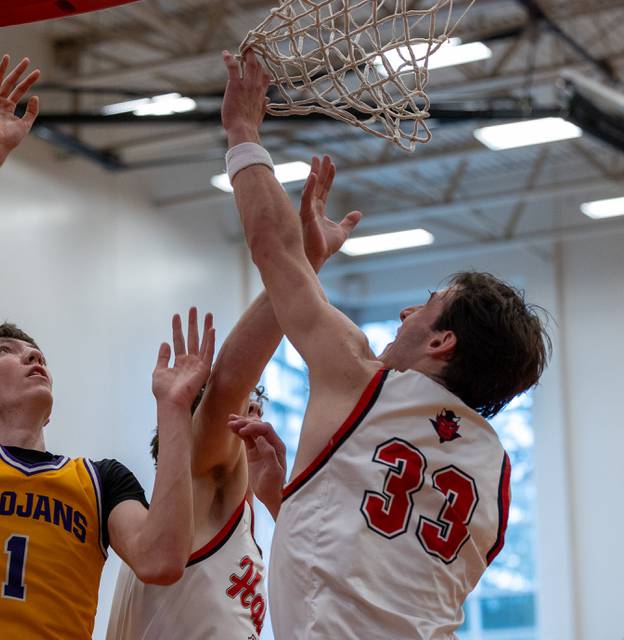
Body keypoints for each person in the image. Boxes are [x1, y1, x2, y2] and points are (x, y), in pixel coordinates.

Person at [221, 50, 551, 639]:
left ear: (443, 340)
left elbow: (273, 246)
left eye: (425, 303)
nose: (405, 313)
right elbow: (392, 574)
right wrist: (289, 497)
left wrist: (244, 132)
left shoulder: (362, 381)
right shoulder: (495, 468)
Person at [0, 54, 215, 639]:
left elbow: (161, 559)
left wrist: (173, 414)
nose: (32, 356)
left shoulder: (101, 480)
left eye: (35, 350)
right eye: (8, 352)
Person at [106, 154, 360, 639]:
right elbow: (229, 380)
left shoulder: (234, 516)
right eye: (248, 405)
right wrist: (303, 264)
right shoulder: (206, 476)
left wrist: (278, 499)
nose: (256, 411)